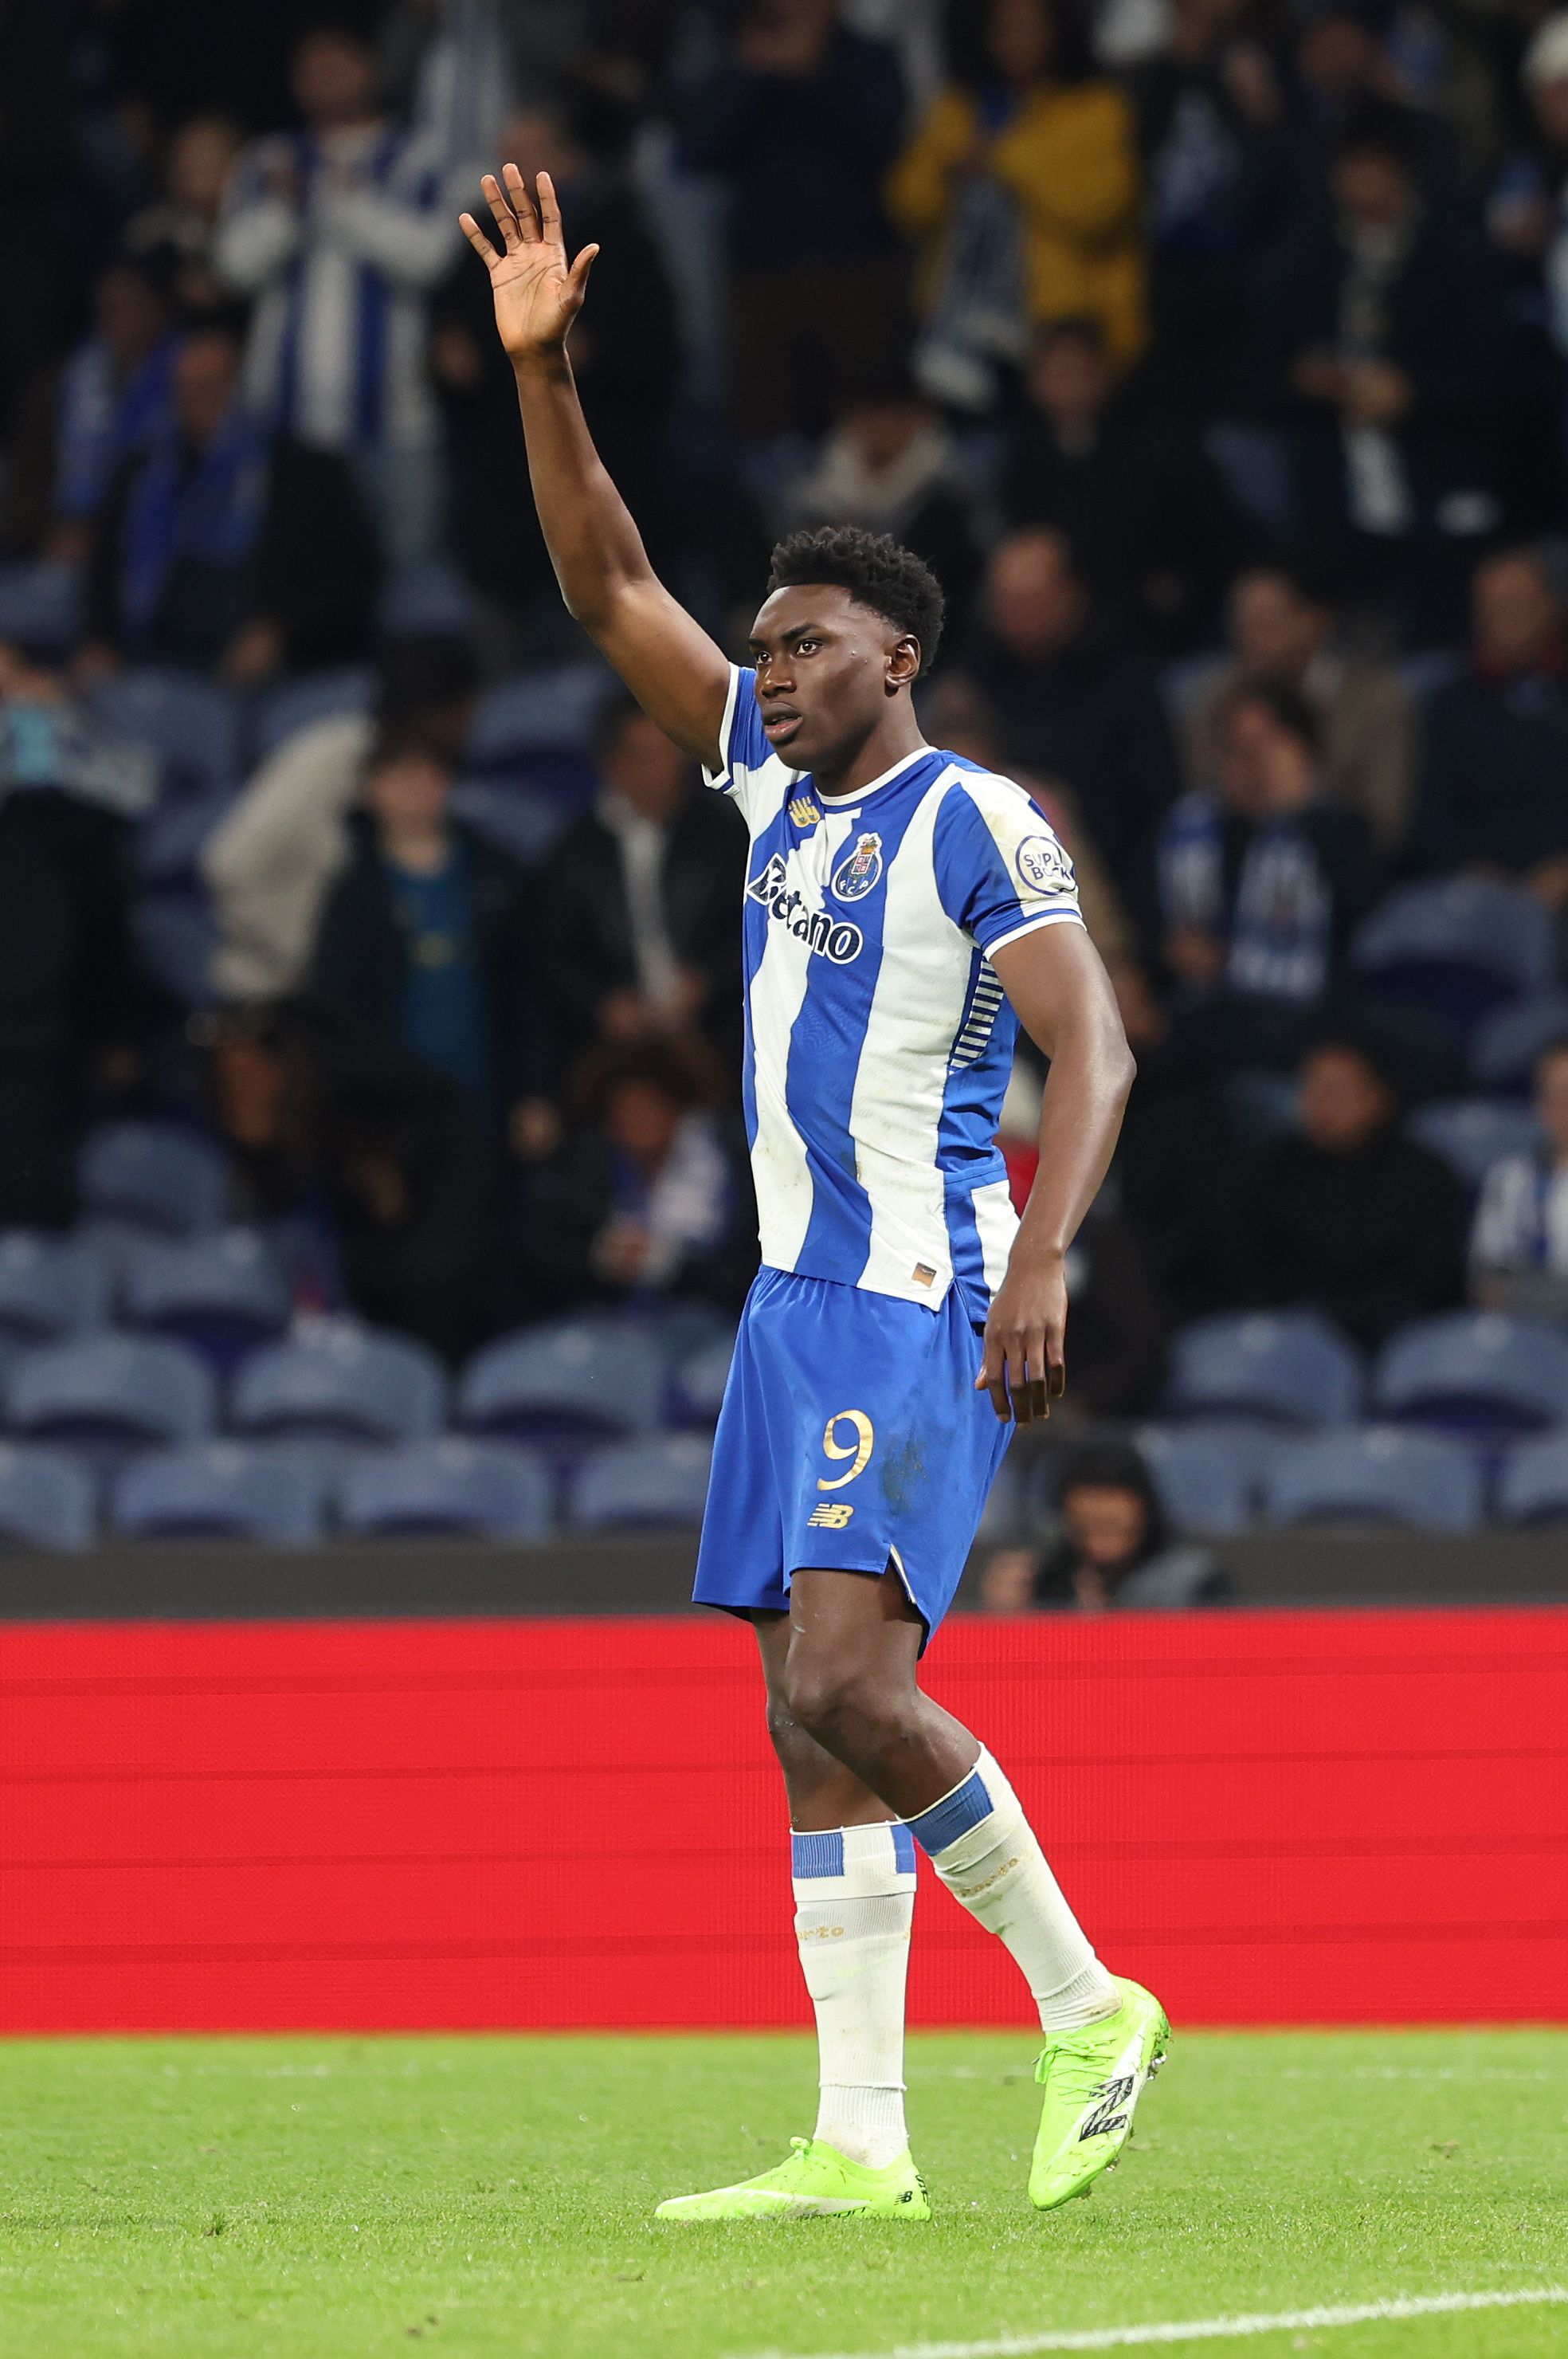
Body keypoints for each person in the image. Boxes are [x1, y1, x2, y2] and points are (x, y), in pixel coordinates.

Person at [458, 155, 1168, 2226]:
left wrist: (1042, 1260)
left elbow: (1099, 1048)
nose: (767, 673)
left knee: (855, 1682)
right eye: (760, 648)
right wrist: (546, 374)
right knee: (803, 1717)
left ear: (899, 657)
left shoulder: (977, 820)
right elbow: (605, 584)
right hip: (792, 1305)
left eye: (806, 645)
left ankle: (1090, 2002)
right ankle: (863, 2136)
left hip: (918, 1290)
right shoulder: (770, 787)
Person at [433, 96, 680, 672]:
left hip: (605, 480)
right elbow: (449, 350)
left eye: (523, 154)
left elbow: (658, 357)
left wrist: (583, 353)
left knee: (609, 665)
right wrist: (449, 363)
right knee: (499, 671)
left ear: (565, 157)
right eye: (503, 155)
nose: (508, 169)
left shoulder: (617, 235)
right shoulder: (481, 244)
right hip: (501, 493)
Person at [214, 22, 461, 567]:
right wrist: (285, 213)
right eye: (312, 68)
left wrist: (337, 203)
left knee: (409, 572)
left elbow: (431, 257)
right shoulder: (269, 159)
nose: (325, 78)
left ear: (371, 69)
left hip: (394, 415)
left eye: (338, 64)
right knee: (291, 572)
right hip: (284, 415)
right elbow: (233, 266)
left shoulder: (419, 155)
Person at [1264, 104, 1503, 642]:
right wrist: (1320, 383)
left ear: (1404, 171)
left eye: (1375, 165)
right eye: (1351, 166)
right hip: (1342, 502)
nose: (1361, 181)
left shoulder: (1455, 258)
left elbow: (1497, 378)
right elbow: (1264, 372)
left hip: (1441, 491)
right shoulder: (1307, 263)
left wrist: (1414, 392)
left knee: (1442, 646)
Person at [79, 326, 378, 681]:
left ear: (240, 385)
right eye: (187, 389)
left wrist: (280, 630)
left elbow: (352, 574)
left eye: (211, 387)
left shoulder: (303, 471)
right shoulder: (142, 474)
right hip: (154, 659)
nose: (198, 402)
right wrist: (99, 640)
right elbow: (104, 571)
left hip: (272, 673)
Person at [888, 0, 1146, 408]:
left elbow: (1100, 208)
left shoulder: (1095, 107)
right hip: (960, 331)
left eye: (1030, 28)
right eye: (1005, 29)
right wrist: (948, 175)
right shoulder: (959, 107)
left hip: (1061, 334)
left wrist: (1003, 160)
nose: (1018, 42)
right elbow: (908, 204)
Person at [202, 634, 479, 1004]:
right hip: (272, 997)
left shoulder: (432, 779)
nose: (469, 727)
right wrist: (315, 953)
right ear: (438, 710)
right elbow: (228, 864)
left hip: (341, 997)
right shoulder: (330, 757)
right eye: (465, 711)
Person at [678, 0, 909, 438]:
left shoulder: (870, 59)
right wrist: (754, 74)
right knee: (763, 427)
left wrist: (813, 72)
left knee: (861, 418)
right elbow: (698, 149)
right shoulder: (744, 54)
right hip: (764, 273)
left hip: (856, 268)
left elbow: (883, 143)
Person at [308, 730, 538, 1127]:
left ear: (446, 782)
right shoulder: (353, 895)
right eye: (398, 778)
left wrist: (535, 1091)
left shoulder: (495, 873)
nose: (412, 792)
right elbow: (335, 1003)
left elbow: (529, 988)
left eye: (424, 776)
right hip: (393, 1105)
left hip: (488, 1094)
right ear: (370, 792)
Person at [1158, 679, 1381, 1072]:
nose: (1250, 766)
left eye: (1264, 748)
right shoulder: (1200, 831)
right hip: (1214, 1020)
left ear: (1303, 750)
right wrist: (1175, 948)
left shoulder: (1341, 829)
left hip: (1307, 1023)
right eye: (1236, 750)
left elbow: (1361, 916)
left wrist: (1299, 811)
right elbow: (1161, 927)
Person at [997, 315, 1245, 656]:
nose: (1069, 387)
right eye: (1057, 373)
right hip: (1063, 612)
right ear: (1034, 383)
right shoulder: (1026, 452)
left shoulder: (1159, 446)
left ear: (1105, 375)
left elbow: (1194, 540)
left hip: (1150, 613)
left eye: (1079, 372)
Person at [534, 693, 747, 1089]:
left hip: (719, 1034)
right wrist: (603, 1005)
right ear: (612, 764)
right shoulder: (573, 855)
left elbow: (757, 926)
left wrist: (707, 981)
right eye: (647, 757)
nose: (666, 770)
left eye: (672, 753)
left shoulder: (726, 835)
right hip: (616, 1049)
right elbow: (554, 958)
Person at [965, 525, 1182, 884]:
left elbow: (1152, 802)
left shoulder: (1124, 681)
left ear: (1070, 595)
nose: (1016, 616)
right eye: (1006, 602)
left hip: (1105, 874)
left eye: (1030, 601)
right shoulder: (973, 681)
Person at [1235, 1035, 1465, 1348]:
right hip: (1291, 1332)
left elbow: (1430, 1274)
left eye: (1337, 1090)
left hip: (1395, 1333)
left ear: (1378, 1097)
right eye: (1312, 1088)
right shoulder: (1273, 1168)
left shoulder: (1424, 1174)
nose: (1322, 1102)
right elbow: (1250, 1261)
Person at [513, 1037, 759, 1319]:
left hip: (713, 1319)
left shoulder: (726, 1162)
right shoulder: (586, 1167)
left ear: (677, 1111)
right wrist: (596, 1257)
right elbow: (542, 1248)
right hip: (605, 1321)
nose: (639, 1122)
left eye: (650, 1109)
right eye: (626, 1112)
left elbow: (747, 1266)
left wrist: (674, 1265)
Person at [1180, 563, 1414, 850]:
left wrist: (1308, 798)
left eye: (1267, 618)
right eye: (1241, 619)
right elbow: (1195, 804)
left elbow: (1386, 825)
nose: (1248, 634)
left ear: (1317, 621)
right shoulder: (1213, 699)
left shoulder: (1374, 701)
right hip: (1235, 859)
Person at [1412, 544, 1568, 893]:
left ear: (1552, 607)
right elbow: (1430, 818)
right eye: (1491, 610)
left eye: (1516, 607)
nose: (1504, 623)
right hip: (1474, 889)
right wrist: (1470, 870)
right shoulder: (1449, 704)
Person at [981, 1439, 1230, 1612]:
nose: (1099, 1548)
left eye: (1116, 1528)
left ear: (1145, 1515)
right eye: (1082, 1530)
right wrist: (1009, 1621)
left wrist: (1103, 1632)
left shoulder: (1196, 1582)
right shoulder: (1050, 1575)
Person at [1470, 1036, 1568, 1313]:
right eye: (1550, 1094)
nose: (1561, 1107)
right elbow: (1488, 1283)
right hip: (1524, 1325)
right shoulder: (1509, 1178)